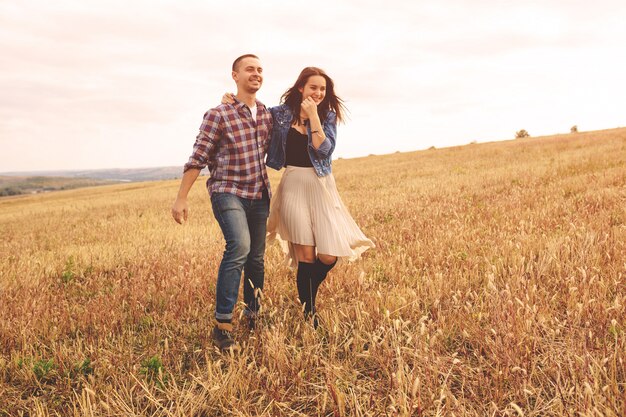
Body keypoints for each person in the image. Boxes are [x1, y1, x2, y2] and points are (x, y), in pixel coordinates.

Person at [224, 66, 374, 327]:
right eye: (313, 87)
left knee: (328, 256)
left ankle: (308, 293)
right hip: (293, 184)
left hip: (321, 185)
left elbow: (324, 150)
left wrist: (314, 116)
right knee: (305, 254)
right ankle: (309, 313)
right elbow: (253, 113)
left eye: (322, 89)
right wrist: (231, 100)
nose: (318, 92)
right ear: (301, 88)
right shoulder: (280, 114)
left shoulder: (326, 115)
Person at [171, 54, 272, 352]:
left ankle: (253, 313)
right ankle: (223, 325)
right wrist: (181, 197)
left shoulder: (267, 114)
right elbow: (198, 156)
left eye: (260, 70)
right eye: (249, 69)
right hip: (228, 191)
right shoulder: (218, 114)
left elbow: (297, 113)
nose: (256, 74)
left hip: (260, 193)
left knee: (256, 258)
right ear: (235, 75)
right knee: (239, 246)